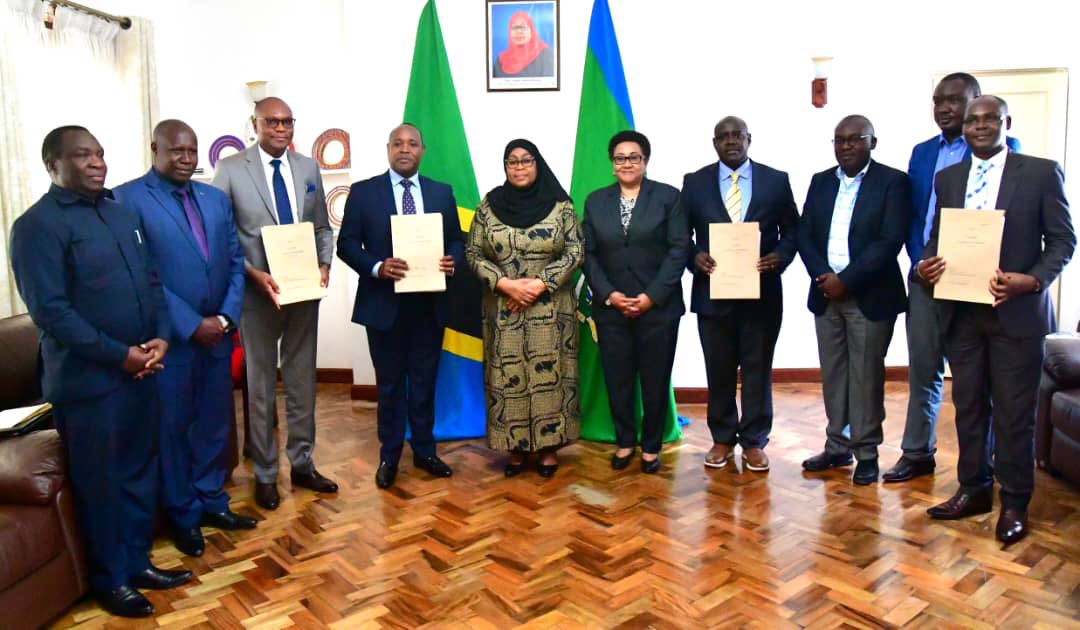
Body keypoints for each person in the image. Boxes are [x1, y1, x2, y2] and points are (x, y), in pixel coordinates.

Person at [9, 126, 191, 617]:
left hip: (143, 368)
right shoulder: (35, 227)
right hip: (91, 385)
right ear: (53, 164)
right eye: (82, 155)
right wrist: (120, 355)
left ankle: (137, 562)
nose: (97, 162)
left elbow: (152, 283)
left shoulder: (119, 212)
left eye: (100, 154)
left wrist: (161, 337)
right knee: (102, 482)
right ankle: (110, 581)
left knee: (138, 471)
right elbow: (52, 313)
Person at [918, 95, 1074, 544]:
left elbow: (1063, 240)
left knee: (1014, 412)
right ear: (963, 127)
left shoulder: (1041, 172)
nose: (980, 126)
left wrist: (1033, 280)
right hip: (962, 313)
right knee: (968, 406)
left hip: (1018, 314)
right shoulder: (949, 178)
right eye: (972, 120)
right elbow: (936, 240)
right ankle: (974, 489)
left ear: (1007, 122)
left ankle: (1015, 502)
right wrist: (925, 265)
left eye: (989, 119)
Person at [113, 120, 256, 558]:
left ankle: (213, 500)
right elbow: (143, 274)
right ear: (154, 147)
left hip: (217, 336)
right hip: (171, 339)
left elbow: (235, 260)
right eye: (177, 151)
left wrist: (227, 317)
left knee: (215, 422)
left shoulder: (214, 198)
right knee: (173, 428)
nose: (187, 158)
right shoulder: (127, 198)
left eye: (192, 151)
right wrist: (191, 323)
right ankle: (184, 514)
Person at [886, 73, 1022, 483]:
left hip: (980, 284)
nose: (945, 108)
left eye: (954, 100)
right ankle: (917, 452)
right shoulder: (922, 153)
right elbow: (916, 215)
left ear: (976, 102)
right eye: (938, 100)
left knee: (980, 376)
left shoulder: (1005, 150)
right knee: (923, 369)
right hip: (927, 277)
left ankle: (986, 461)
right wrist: (917, 261)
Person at [211, 97, 338, 510]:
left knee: (302, 380)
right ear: (256, 124)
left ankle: (302, 462)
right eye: (273, 122)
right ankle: (265, 473)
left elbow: (321, 226)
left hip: (303, 293)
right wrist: (253, 273)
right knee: (261, 386)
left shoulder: (307, 168)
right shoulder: (231, 170)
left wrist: (324, 264)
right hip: (257, 295)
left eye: (287, 122)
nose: (281, 129)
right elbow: (223, 236)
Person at [337, 123, 464, 489]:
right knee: (390, 385)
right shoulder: (364, 193)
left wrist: (451, 260)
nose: (404, 149)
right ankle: (389, 455)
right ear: (388, 149)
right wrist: (377, 267)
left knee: (424, 382)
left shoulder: (441, 192)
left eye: (412, 144)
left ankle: (424, 450)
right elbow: (347, 244)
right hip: (384, 306)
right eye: (398, 143)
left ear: (423, 150)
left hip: (429, 305)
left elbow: (456, 240)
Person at [797, 115, 911, 486]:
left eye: (854, 139)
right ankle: (837, 446)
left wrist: (847, 280)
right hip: (825, 295)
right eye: (839, 140)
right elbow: (805, 235)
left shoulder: (892, 182)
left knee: (865, 377)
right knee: (833, 375)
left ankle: (866, 453)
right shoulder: (821, 182)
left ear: (872, 143)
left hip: (870, 296)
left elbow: (890, 240)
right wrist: (824, 278)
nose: (846, 146)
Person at [683, 116, 799, 472]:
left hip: (762, 296)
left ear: (750, 139)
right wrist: (693, 257)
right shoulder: (695, 182)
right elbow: (679, 234)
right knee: (717, 370)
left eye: (738, 135)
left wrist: (779, 257)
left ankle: (753, 441)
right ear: (714, 142)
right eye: (724, 136)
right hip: (712, 295)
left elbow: (794, 231)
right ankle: (721, 438)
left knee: (757, 370)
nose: (731, 141)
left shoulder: (776, 181)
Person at [466, 139, 582, 477]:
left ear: (538, 164)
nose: (518, 167)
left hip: (550, 310)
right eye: (511, 162)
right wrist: (505, 284)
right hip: (504, 310)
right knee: (507, 376)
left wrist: (539, 283)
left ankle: (548, 447)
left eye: (526, 161)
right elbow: (473, 252)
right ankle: (515, 448)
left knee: (551, 378)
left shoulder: (561, 206)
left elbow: (575, 250)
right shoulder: (489, 206)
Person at [582, 130, 687, 474]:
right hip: (612, 308)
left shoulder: (669, 197)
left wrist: (650, 297)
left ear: (645, 161)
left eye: (634, 157)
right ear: (612, 164)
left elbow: (678, 250)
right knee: (618, 378)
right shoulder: (595, 201)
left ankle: (652, 446)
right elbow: (589, 255)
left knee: (655, 380)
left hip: (658, 309)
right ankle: (625, 441)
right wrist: (610, 294)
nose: (627, 163)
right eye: (620, 158)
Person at [492, 11, 554, 78]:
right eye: (514, 27)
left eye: (523, 27)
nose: (519, 31)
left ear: (532, 31)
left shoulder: (546, 55)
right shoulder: (501, 61)